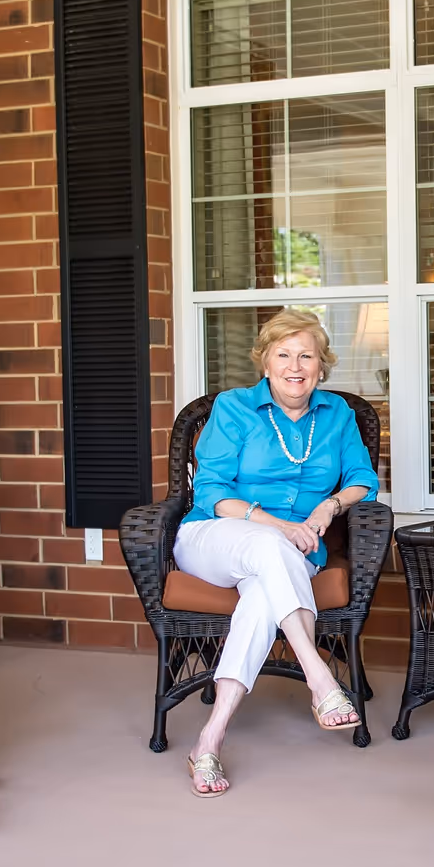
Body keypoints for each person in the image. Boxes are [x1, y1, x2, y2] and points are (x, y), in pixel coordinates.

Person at [174, 309, 380, 797]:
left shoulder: (338, 415)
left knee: (262, 600)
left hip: (292, 551)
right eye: (283, 354)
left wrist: (329, 506)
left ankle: (208, 739)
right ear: (264, 363)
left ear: (321, 366)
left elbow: (363, 480)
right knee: (271, 547)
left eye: (306, 355)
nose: (295, 365)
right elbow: (210, 493)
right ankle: (320, 677)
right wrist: (279, 526)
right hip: (216, 536)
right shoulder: (234, 407)